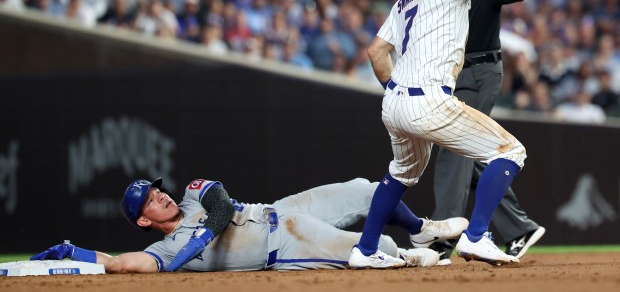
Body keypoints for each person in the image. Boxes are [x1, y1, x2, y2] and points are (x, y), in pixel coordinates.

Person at [314, 0, 581, 265]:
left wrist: (394, 88)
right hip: (429, 102)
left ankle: (365, 250)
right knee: (510, 151)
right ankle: (475, 236)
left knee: (400, 174)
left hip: (394, 105)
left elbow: (376, 51)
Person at [31, 177, 472, 272]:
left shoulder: (189, 194)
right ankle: (414, 256)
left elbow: (220, 208)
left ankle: (418, 228)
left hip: (280, 208)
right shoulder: (161, 253)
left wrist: (194, 246)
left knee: (365, 189)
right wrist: (76, 252)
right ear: (145, 219)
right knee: (368, 250)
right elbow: (120, 266)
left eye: (155, 188)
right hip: (288, 245)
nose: (159, 195)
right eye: (149, 199)